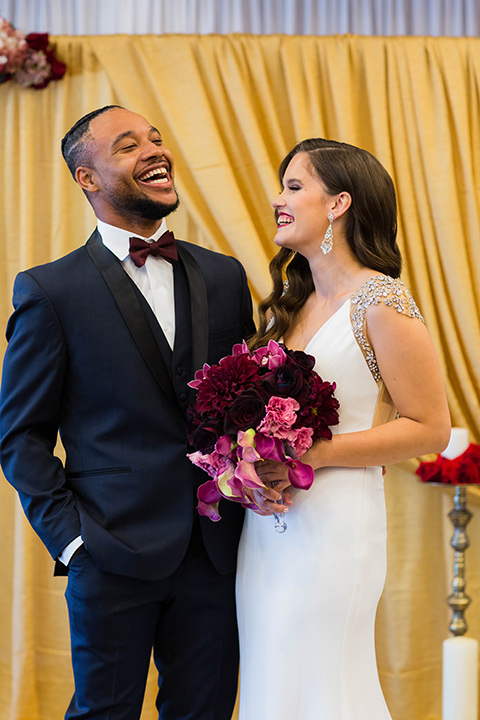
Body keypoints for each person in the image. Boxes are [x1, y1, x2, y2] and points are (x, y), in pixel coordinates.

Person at [0, 105, 255, 720]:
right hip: (108, 551)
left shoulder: (224, 276)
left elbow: (249, 403)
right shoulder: (50, 291)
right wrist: (73, 543)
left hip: (217, 553)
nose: (154, 151)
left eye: (157, 139)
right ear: (87, 179)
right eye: (128, 145)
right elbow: (21, 438)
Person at [235, 138, 451, 720]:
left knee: (324, 680)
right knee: (272, 675)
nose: (278, 199)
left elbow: (431, 427)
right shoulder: (290, 303)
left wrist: (316, 455)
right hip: (267, 529)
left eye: (294, 187)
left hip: (334, 525)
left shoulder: (381, 301)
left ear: (339, 204)